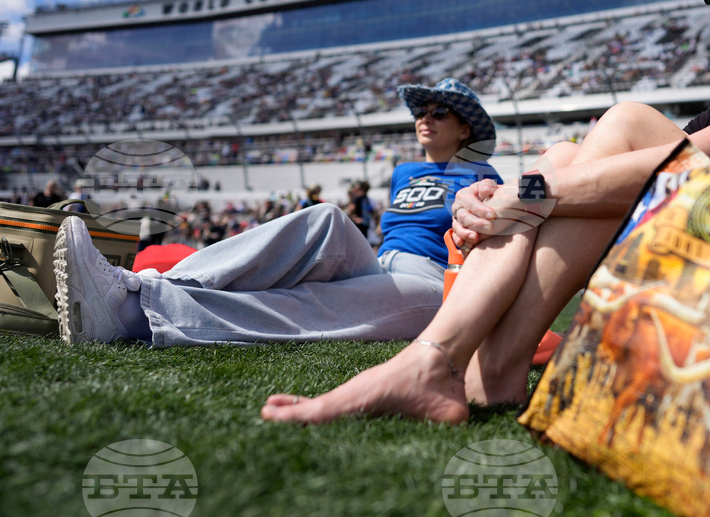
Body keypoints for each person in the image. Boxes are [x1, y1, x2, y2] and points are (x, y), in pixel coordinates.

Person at [257, 0, 710, 425]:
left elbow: (688, 169)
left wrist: (517, 196)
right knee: (561, 152)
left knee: (625, 123)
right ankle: (467, 367)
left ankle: (462, 365)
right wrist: (515, 189)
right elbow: (663, 178)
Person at [53, 79, 502, 347]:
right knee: (325, 215)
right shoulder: (404, 170)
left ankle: (130, 313)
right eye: (421, 111)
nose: (426, 117)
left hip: (435, 282)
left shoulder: (483, 175)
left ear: (464, 128)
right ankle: (140, 286)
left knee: (311, 304)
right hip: (382, 262)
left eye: (439, 112)